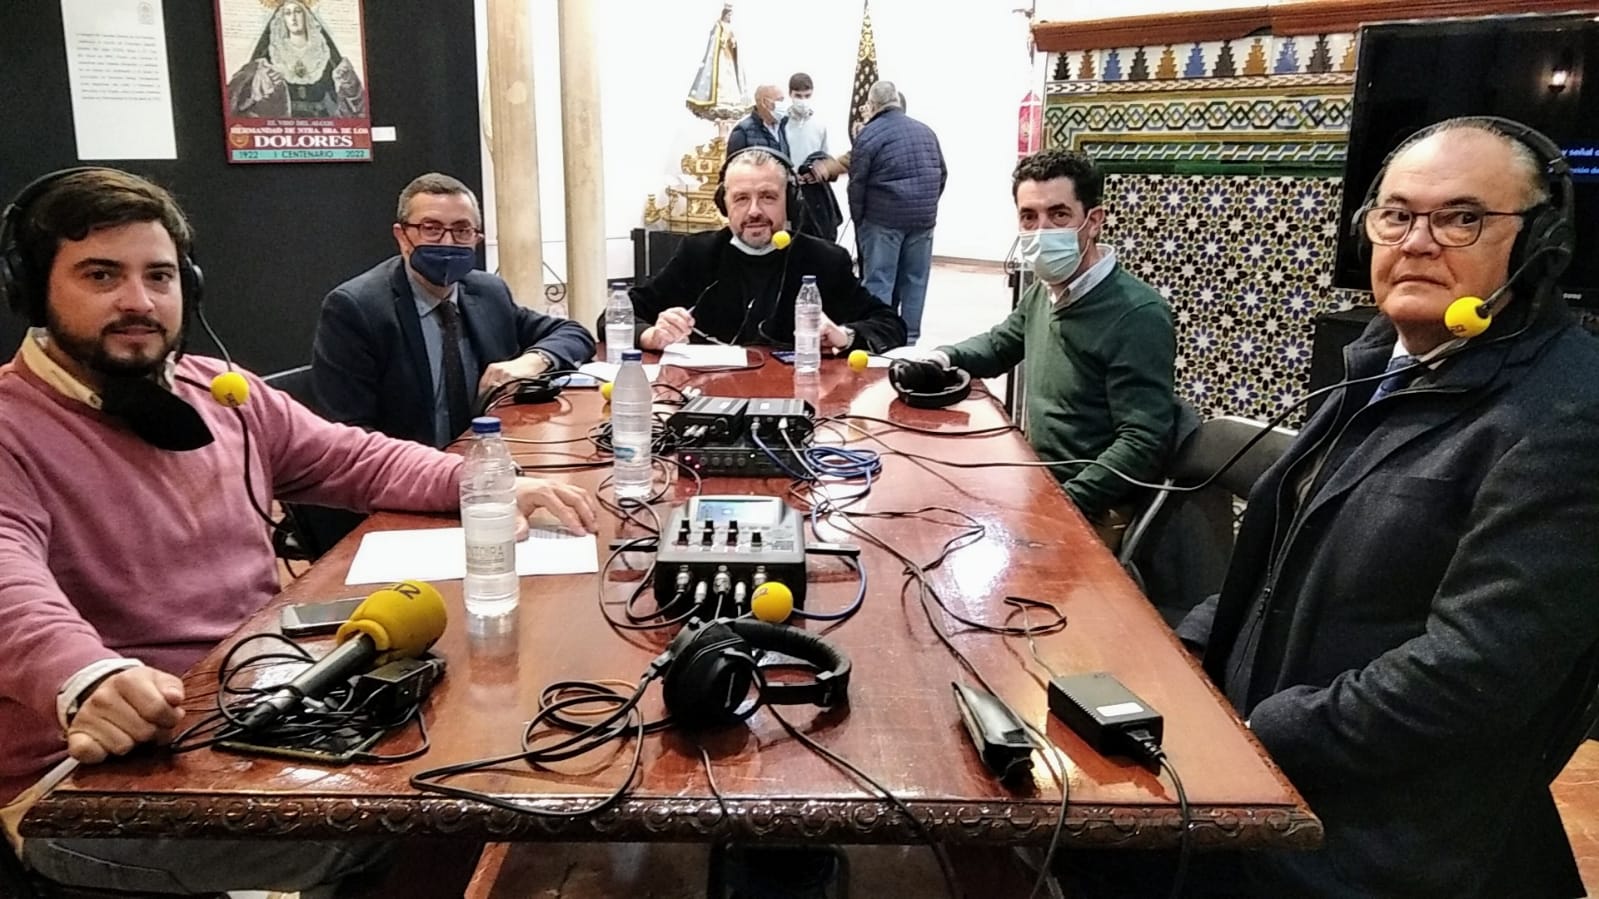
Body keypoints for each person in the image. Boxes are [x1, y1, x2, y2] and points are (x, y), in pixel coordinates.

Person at [0, 167, 598, 895]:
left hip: (252, 706)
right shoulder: (12, 426)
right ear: (31, 290)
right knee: (440, 810)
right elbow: (12, 592)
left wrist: (499, 484)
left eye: (159, 275)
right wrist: (85, 675)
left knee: (480, 757)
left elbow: (357, 458)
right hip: (97, 781)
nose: (138, 300)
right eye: (101, 274)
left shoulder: (219, 394)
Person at [1179, 118, 1599, 897]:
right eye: (1396, 214)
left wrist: (1255, 730)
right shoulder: (1378, 362)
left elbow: (1472, 674)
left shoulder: (1568, 415)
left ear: (1539, 246)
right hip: (1266, 790)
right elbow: (1279, 564)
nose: (1416, 240)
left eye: (1461, 217)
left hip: (1377, 849)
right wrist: (1180, 656)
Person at [926, 149, 1176, 548]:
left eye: (1058, 215)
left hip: (1092, 507)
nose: (1041, 231)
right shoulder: (1047, 291)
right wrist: (941, 358)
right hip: (1038, 480)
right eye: (1029, 217)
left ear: (1093, 221)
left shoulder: (1138, 314)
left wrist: (1067, 503)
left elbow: (1142, 440)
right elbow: (1001, 343)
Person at [314, 172, 595, 449]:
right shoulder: (356, 308)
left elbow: (573, 333)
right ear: (402, 236)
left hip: (492, 461)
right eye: (431, 228)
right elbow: (348, 437)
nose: (448, 243)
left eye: (462, 230)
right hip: (409, 478)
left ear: (476, 238)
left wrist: (532, 361)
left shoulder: (488, 292)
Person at [617, 148, 906, 354]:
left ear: (790, 202)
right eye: (741, 198)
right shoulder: (699, 253)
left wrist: (844, 336)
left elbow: (890, 324)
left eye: (768, 197)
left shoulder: (824, 260)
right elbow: (617, 314)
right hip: (710, 399)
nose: (754, 211)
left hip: (800, 402)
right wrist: (651, 335)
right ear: (725, 205)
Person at [848, 80, 946, 343]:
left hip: (883, 220)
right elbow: (942, 174)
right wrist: (927, 205)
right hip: (923, 220)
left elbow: (856, 182)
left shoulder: (869, 135)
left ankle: (878, 338)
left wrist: (859, 219)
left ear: (873, 105)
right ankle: (910, 339)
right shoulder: (926, 131)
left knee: (880, 280)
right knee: (915, 281)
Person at [225, 0, 364, 119]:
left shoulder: (323, 50)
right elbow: (240, 95)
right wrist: (261, 83)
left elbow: (350, 96)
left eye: (298, 11)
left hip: (322, 120)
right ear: (282, 18)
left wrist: (347, 81)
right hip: (282, 121)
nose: (293, 18)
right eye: (288, 13)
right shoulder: (270, 52)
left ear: (306, 16)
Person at [783, 72, 843, 241]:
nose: (802, 100)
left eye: (807, 96)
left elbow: (824, 157)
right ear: (790, 94)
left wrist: (818, 173)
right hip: (788, 188)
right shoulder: (782, 123)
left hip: (813, 190)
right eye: (798, 96)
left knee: (816, 237)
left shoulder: (820, 125)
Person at [726, 84, 788, 157]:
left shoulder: (785, 126)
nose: (783, 105)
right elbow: (734, 165)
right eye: (779, 100)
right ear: (764, 102)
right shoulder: (743, 131)